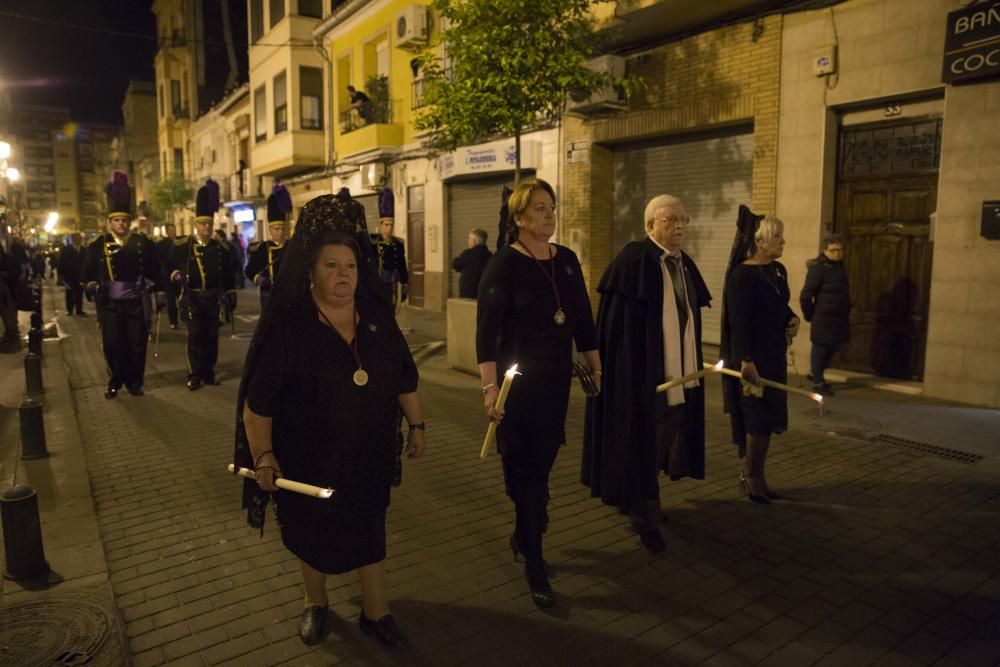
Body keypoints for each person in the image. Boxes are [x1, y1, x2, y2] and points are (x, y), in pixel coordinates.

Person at [235, 194, 426, 648]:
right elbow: (257, 403)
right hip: (308, 456)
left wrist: (416, 425)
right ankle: (315, 602)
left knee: (369, 526)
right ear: (310, 270)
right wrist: (264, 454)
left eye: (351, 266)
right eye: (331, 266)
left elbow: (404, 376)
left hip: (369, 452)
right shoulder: (291, 326)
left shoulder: (377, 320)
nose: (344, 274)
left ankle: (376, 612)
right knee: (310, 532)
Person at [476, 178, 600, 608]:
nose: (549, 215)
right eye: (540, 209)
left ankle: (524, 528)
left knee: (540, 466)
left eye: (551, 206)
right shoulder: (504, 266)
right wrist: (490, 390)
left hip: (554, 384)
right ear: (520, 219)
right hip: (518, 387)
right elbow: (487, 334)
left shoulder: (565, 259)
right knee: (527, 474)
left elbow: (581, 317)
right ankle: (533, 557)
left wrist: (595, 363)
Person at [582, 195, 712, 554]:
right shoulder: (632, 262)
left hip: (679, 376)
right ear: (649, 225)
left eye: (682, 219)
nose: (679, 226)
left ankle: (640, 498)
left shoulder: (683, 265)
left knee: (660, 443)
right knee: (642, 443)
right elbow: (618, 332)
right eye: (669, 220)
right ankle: (645, 517)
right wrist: (631, 378)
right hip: (640, 380)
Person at [720, 208, 800, 504]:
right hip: (752, 360)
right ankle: (751, 477)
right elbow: (738, 323)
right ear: (760, 242)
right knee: (755, 419)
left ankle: (759, 475)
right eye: (777, 236)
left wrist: (791, 319)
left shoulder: (778, 271)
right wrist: (745, 361)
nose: (783, 241)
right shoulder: (742, 276)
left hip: (774, 357)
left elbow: (780, 307)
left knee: (768, 419)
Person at [83, 171, 164, 398]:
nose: (121, 224)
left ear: (130, 221)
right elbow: (87, 274)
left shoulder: (143, 243)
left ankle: (135, 382)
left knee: (137, 345)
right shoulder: (98, 245)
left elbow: (155, 271)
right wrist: (94, 287)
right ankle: (115, 380)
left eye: (125, 220)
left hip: (135, 303)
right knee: (112, 344)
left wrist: (157, 292)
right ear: (110, 222)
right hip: (110, 304)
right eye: (117, 220)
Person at [168, 179, 235, 391]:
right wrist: (175, 274)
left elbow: (228, 274)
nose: (206, 227)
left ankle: (208, 372)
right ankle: (194, 373)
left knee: (211, 337)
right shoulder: (182, 246)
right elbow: (168, 266)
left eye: (209, 224)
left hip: (213, 299)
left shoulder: (220, 248)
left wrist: (230, 294)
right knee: (195, 337)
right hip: (193, 298)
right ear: (196, 224)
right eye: (202, 224)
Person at [799, 235, 850, 396]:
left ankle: (815, 373)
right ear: (825, 250)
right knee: (820, 348)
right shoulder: (818, 269)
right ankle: (818, 382)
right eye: (833, 250)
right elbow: (806, 296)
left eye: (840, 250)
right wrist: (810, 315)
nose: (837, 253)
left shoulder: (839, 267)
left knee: (835, 346)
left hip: (838, 317)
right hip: (823, 317)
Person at [245, 186, 291, 313]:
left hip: (289, 297)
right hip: (269, 296)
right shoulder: (263, 249)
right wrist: (259, 280)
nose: (280, 232)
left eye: (282, 228)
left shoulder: (291, 246)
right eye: (276, 229)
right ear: (270, 229)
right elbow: (249, 270)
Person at [372, 216, 408, 309]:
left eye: (391, 225)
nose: (390, 228)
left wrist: (405, 282)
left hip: (394, 282)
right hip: (379, 282)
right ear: (381, 226)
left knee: (393, 307)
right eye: (386, 225)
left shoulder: (398, 243)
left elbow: (401, 262)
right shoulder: (374, 242)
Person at [451, 228, 492, 298]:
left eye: (469, 238)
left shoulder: (468, 254)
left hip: (468, 292)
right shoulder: (490, 255)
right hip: (484, 292)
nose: (468, 241)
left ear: (475, 241)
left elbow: (455, 264)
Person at [156, 223, 181, 329]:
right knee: (171, 301)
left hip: (180, 275)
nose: (173, 232)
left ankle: (185, 317)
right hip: (167, 276)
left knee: (182, 298)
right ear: (167, 232)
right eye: (171, 230)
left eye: (174, 230)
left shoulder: (181, 242)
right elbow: (159, 261)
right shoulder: (161, 244)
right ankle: (173, 322)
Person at [58, 233, 87, 316]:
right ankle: (69, 310)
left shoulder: (84, 250)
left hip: (80, 275)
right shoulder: (65, 250)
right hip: (69, 275)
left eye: (79, 238)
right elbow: (61, 262)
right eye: (76, 238)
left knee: (79, 293)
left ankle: (79, 309)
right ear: (73, 239)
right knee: (69, 292)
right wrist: (60, 274)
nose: (78, 240)